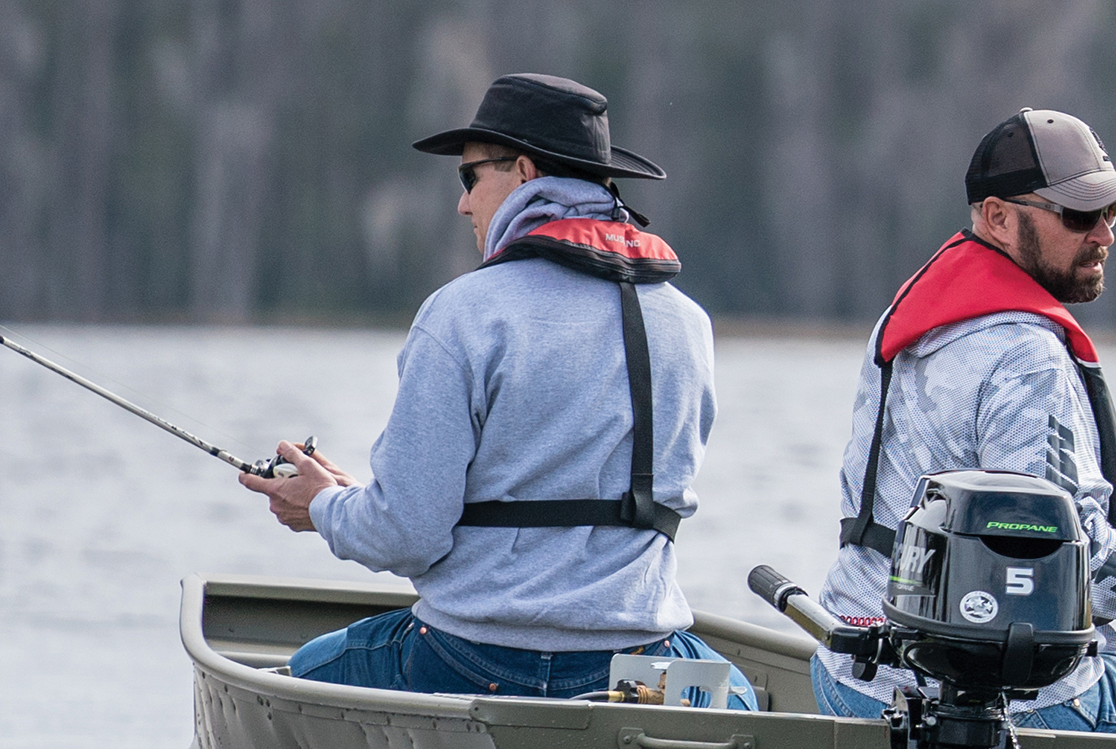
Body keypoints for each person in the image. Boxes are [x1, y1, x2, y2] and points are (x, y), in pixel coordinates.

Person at [241, 73, 754, 707]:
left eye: (470, 178)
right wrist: (351, 499)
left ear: (525, 173)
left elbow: (405, 534)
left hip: (472, 659)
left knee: (299, 676)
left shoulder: (461, 314)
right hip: (638, 670)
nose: (462, 204)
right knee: (747, 706)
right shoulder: (689, 323)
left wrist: (322, 507)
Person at [814, 108, 1116, 738]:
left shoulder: (911, 316)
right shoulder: (1027, 357)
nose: (1105, 235)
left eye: (1111, 213)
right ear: (998, 216)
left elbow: (1006, 525)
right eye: (1080, 215)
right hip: (996, 707)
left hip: (847, 678)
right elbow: (1082, 578)